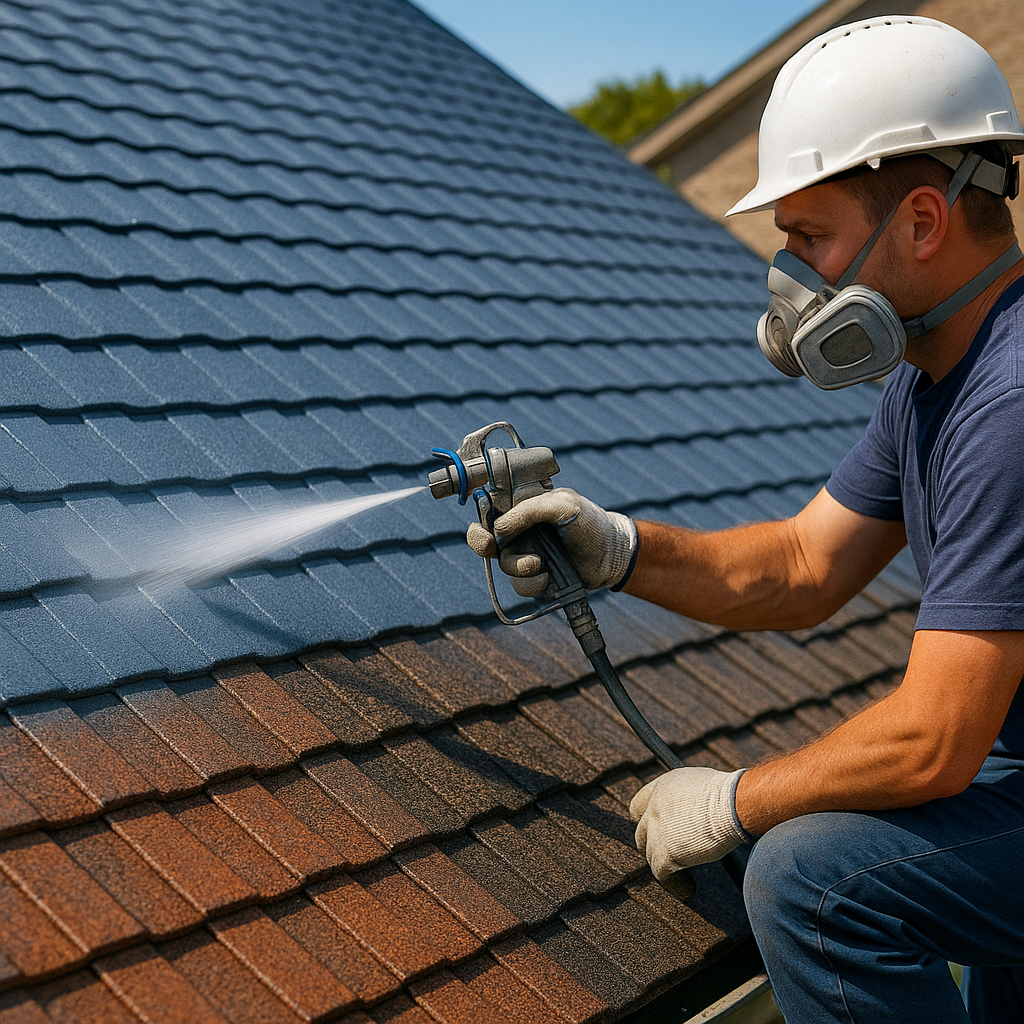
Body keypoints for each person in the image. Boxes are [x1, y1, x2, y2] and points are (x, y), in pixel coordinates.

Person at [467, 17, 1024, 1024]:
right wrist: (619, 549)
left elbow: (935, 739)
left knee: (810, 878)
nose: (789, 279)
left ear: (924, 221)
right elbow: (804, 562)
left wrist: (733, 799)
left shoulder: (1012, 401)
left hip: (1003, 775)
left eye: (808, 239)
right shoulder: (935, 375)